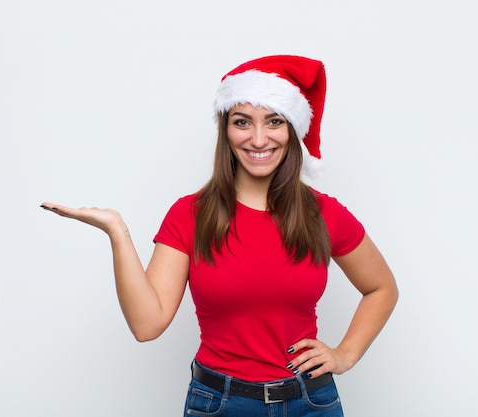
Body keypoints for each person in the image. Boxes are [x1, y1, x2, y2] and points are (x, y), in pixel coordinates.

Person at [41, 55, 398, 417]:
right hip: (220, 404)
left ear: (291, 128)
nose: (259, 139)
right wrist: (117, 231)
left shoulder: (323, 214)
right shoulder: (189, 215)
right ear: (226, 130)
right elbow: (147, 325)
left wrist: (345, 354)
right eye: (243, 122)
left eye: (274, 121)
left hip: (310, 403)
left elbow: (382, 287)